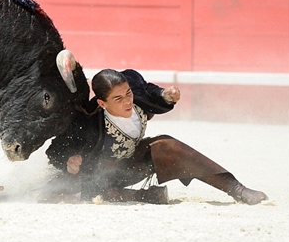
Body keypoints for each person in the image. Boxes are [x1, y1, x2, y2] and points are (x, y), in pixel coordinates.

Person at [44, 69, 268, 205]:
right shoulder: (88, 120)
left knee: (166, 144)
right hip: (99, 177)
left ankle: (238, 190)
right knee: (69, 195)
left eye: (128, 93)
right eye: (118, 99)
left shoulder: (133, 90)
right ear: (102, 103)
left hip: (131, 166)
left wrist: (164, 95)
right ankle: (143, 196)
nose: (128, 101)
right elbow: (55, 150)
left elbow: (148, 90)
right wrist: (69, 161)